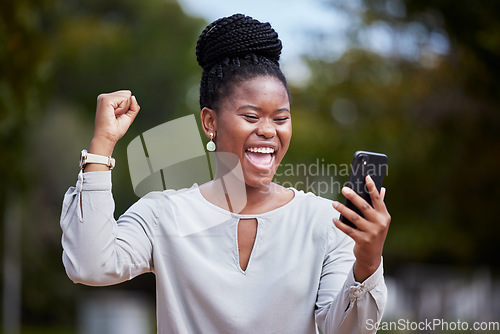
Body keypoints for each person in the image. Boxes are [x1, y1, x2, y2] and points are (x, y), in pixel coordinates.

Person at [61, 13, 390, 334]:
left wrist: (367, 264)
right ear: (210, 122)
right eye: (250, 116)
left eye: (280, 118)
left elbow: (349, 331)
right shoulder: (164, 215)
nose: (268, 131)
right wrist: (102, 145)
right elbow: (89, 265)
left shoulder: (325, 222)